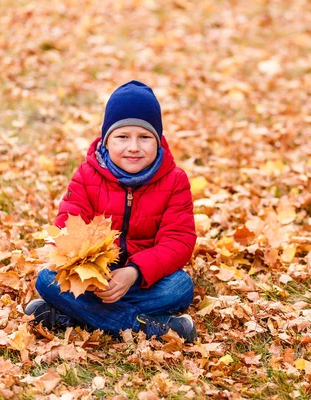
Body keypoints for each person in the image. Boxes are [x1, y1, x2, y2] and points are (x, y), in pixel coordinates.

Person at [25, 80, 197, 343]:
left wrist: (134, 273)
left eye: (144, 137)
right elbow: (67, 230)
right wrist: (93, 274)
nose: (133, 147)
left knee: (180, 287)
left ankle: (70, 318)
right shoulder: (86, 175)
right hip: (95, 279)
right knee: (46, 280)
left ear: (159, 141)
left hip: (143, 280)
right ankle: (148, 326)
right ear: (106, 140)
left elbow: (178, 241)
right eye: (122, 137)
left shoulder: (174, 181)